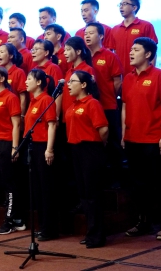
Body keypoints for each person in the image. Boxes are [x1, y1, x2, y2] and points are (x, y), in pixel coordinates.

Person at [122, 37, 161, 241]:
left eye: (136, 50)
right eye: (131, 49)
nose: (131, 52)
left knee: (160, 185)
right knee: (138, 186)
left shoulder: (160, 76)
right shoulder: (128, 78)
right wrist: (123, 134)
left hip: (154, 139)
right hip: (132, 139)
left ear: (148, 54)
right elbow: (125, 107)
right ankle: (143, 222)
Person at [66, 70, 109, 248]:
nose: (68, 84)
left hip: (90, 150)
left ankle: (97, 235)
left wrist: (96, 147)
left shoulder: (92, 103)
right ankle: (91, 231)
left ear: (83, 85)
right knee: (83, 194)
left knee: (93, 194)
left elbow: (103, 130)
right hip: (76, 150)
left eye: (72, 81)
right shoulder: (72, 105)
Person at [0, 67, 26, 235]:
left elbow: (16, 124)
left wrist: (15, 147)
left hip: (6, 143)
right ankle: (16, 217)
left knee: (9, 181)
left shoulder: (10, 97)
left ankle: (10, 220)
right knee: (2, 181)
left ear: (2, 78)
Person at [84, 22, 124, 186]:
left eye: (91, 33)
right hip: (88, 108)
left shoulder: (109, 56)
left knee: (112, 143)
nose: (87, 36)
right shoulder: (83, 57)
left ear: (101, 36)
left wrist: (108, 96)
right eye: (85, 33)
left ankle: (117, 179)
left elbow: (117, 82)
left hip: (107, 106)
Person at [24, 69, 58, 241]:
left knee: (46, 189)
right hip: (33, 147)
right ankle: (43, 226)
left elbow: (52, 125)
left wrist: (49, 149)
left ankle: (49, 228)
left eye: (29, 79)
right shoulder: (32, 101)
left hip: (44, 146)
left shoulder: (46, 99)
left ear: (38, 82)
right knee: (37, 189)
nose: (26, 82)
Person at [110, 0, 158, 76]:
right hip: (121, 75)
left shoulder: (146, 26)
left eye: (125, 4)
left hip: (141, 73)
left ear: (134, 8)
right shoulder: (115, 29)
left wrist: (150, 73)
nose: (121, 7)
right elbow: (114, 53)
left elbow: (152, 51)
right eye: (120, 4)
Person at [31, 39, 63, 120]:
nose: (33, 52)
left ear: (46, 52)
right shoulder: (34, 69)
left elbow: (59, 92)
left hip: (48, 111)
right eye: (32, 49)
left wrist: (56, 116)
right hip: (35, 110)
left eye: (36, 49)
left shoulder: (53, 68)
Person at [0, 43, 28, 117]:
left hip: (14, 112)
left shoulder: (18, 72)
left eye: (2, 52)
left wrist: (22, 115)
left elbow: (23, 96)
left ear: (11, 56)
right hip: (0, 112)